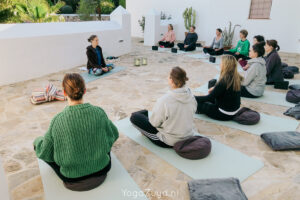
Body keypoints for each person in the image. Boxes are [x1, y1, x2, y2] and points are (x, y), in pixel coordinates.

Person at [33, 73, 119, 191]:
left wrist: (37, 142)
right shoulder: (99, 112)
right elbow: (113, 134)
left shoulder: (57, 121)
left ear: (64, 93)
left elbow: (44, 152)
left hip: (72, 180)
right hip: (101, 171)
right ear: (84, 91)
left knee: (42, 148)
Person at [130, 67, 197, 148]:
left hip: (169, 141)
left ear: (171, 80)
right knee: (144, 113)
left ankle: (145, 132)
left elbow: (154, 123)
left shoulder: (164, 100)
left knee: (134, 117)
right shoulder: (191, 96)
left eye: (168, 76)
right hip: (189, 136)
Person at [195, 55, 243, 121]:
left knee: (196, 104)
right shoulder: (237, 77)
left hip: (224, 114)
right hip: (234, 111)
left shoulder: (224, 80)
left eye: (221, 63)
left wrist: (192, 97)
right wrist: (215, 88)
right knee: (207, 99)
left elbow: (209, 98)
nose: (220, 64)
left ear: (225, 65)